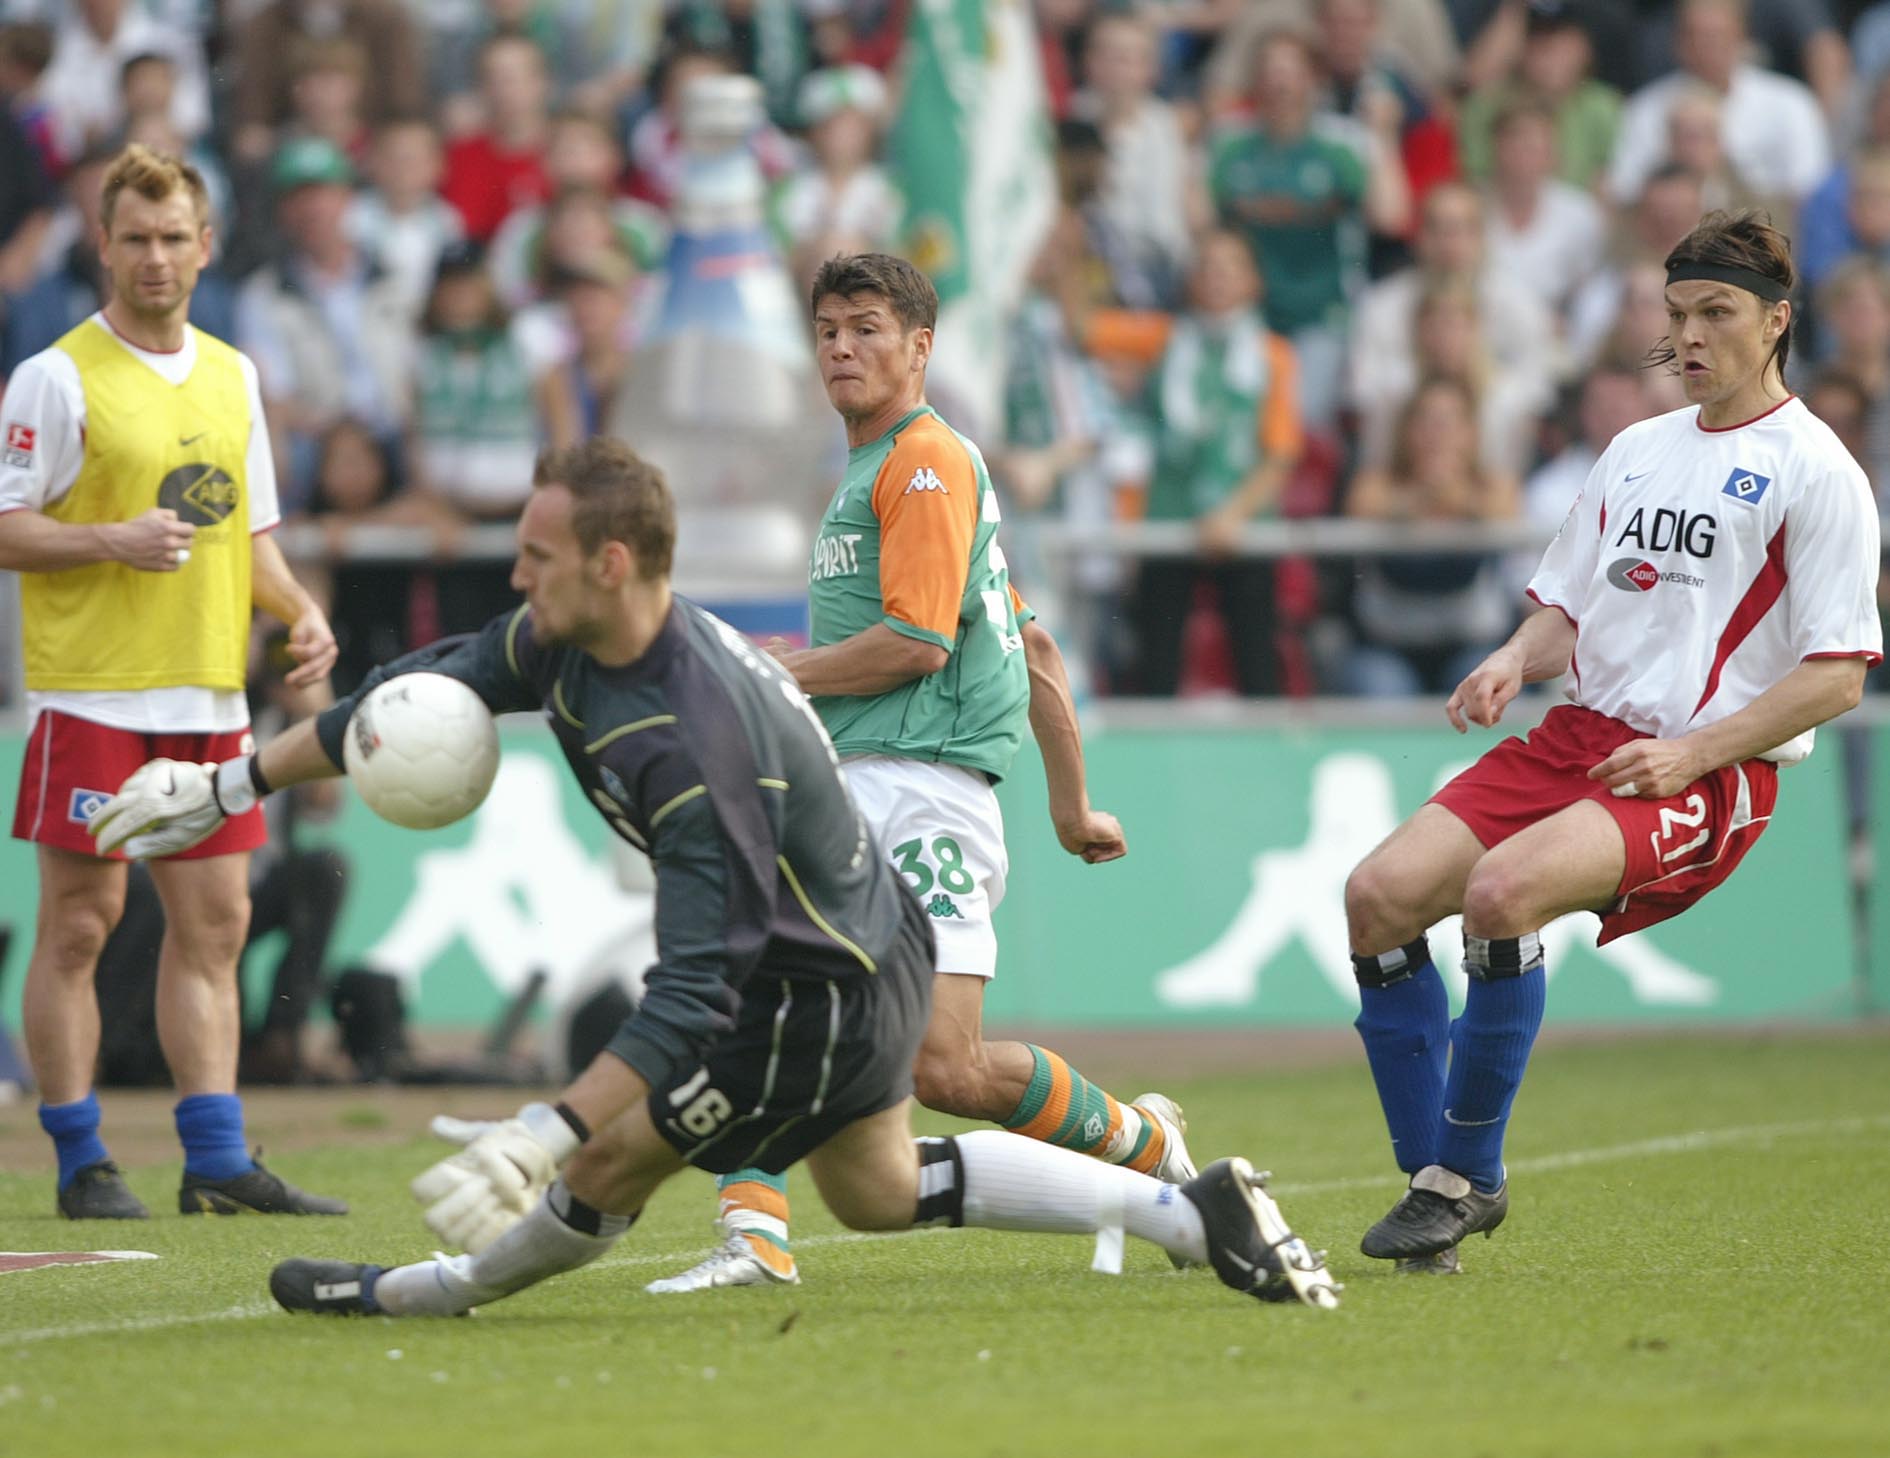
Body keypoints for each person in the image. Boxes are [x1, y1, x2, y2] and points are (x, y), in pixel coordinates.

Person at [86, 437, 1339, 1314]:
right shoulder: (566, 635)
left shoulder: (689, 743)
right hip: (857, 938)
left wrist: (547, 1125)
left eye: (536, 554)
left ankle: (416, 1297)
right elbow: (424, 687)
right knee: (880, 1188)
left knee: (606, 1170)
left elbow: (697, 985)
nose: (515, 576)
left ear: (613, 563)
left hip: (817, 987)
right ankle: (1194, 1213)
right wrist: (227, 784)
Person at [1342, 210, 1880, 1271]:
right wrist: (1513, 655)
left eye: (1714, 313)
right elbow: (1569, 610)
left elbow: (1835, 678)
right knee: (1377, 896)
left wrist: (1697, 754)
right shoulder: (1636, 449)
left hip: (1705, 767)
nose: (1688, 336)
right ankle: (1434, 1191)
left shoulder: (1818, 472)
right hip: (1579, 735)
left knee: (1501, 894)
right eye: (1676, 313)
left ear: (1775, 322)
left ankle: (1465, 1176)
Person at [653, 252, 1200, 1292]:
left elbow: (917, 643)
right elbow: (1030, 647)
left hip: (924, 793)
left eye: (866, 327)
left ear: (920, 346)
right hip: (864, 786)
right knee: (766, 993)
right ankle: (756, 1235)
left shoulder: (924, 463)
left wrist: (783, 676)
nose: (843, 348)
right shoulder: (888, 471)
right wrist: (1073, 804)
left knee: (944, 1067)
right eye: (827, 330)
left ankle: (1145, 1151)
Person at [0, 144, 345, 1219]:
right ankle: (79, 1157)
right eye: (136, 238)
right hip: (93, 692)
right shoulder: (54, 377)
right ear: (103, 245)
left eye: (174, 237)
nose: (156, 258)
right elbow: (7, 526)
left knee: (216, 926)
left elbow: (253, 535)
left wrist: (300, 611)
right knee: (80, 925)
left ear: (207, 245)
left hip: (207, 696)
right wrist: (109, 538)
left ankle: (215, 1161)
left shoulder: (234, 374)